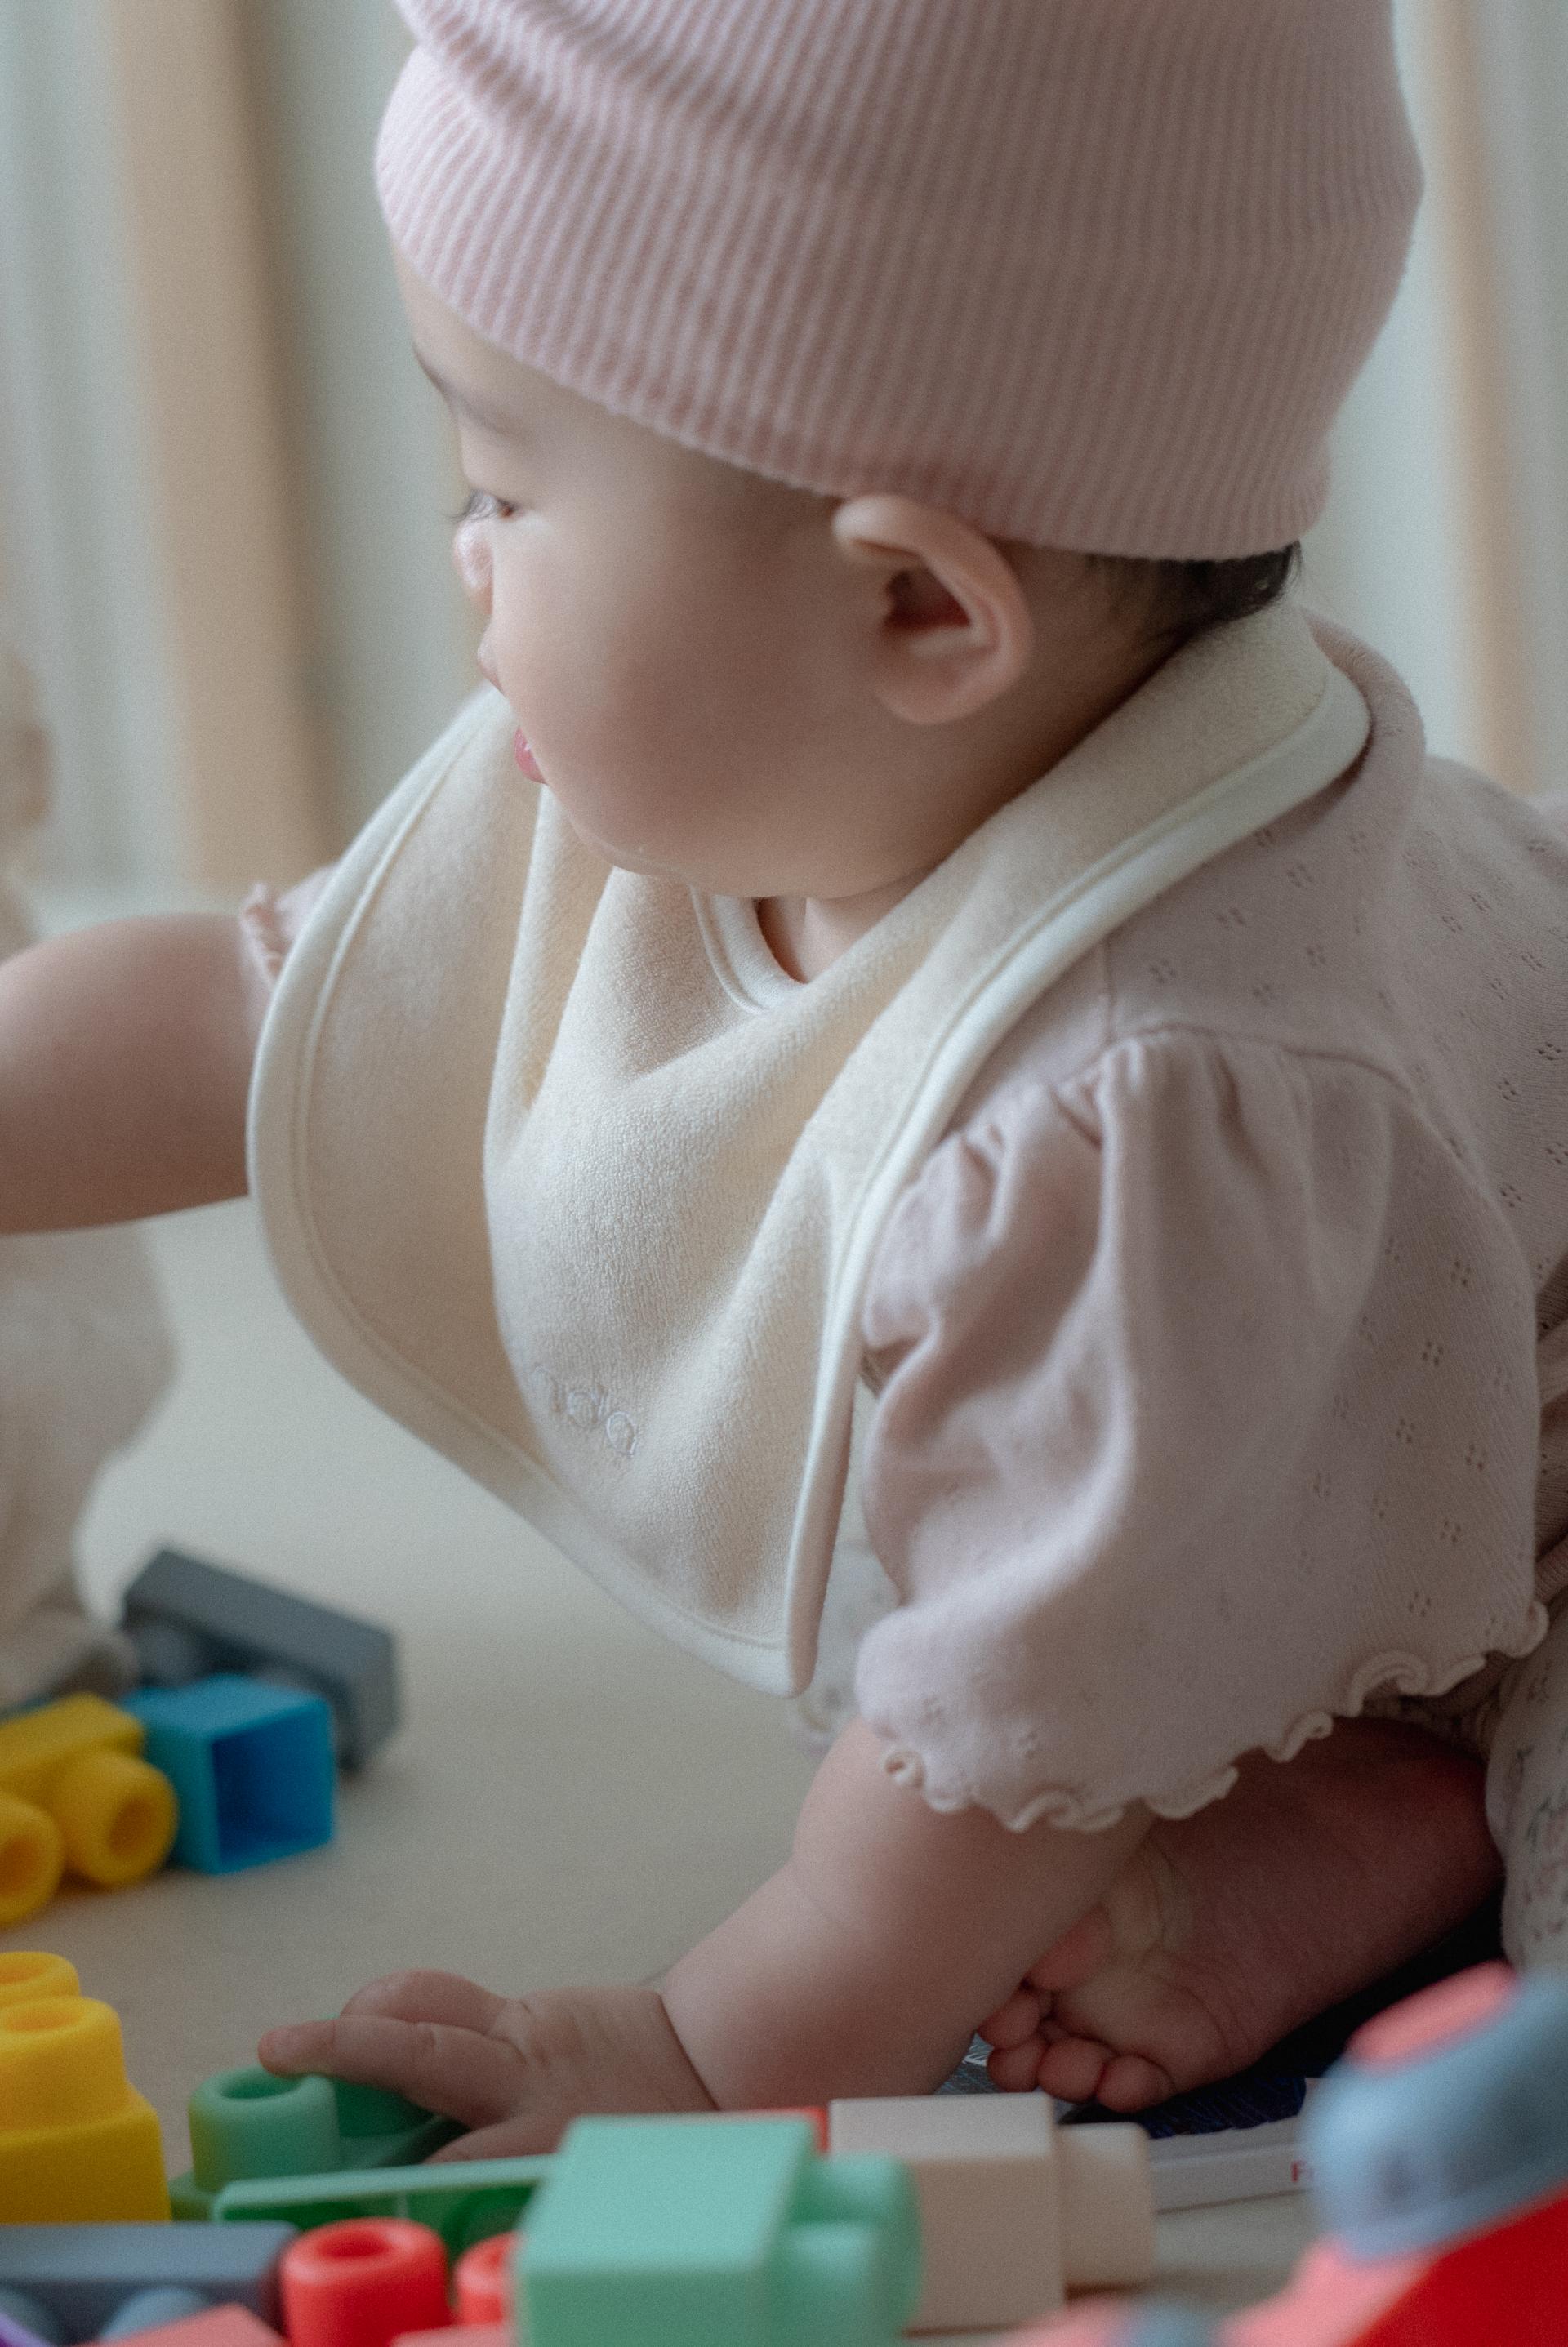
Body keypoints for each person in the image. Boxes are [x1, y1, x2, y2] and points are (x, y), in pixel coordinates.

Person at [2, 0, 1562, 2152]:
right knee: (994, 1548)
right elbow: (245, 1013)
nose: (462, 555)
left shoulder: (1133, 1095)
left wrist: (709, 2052)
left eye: (505, 488)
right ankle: (1349, 1795)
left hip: (1504, 1489)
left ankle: (1414, 1788)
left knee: (1024, 1741)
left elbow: (1007, 1708)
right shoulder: (725, 749)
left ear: (917, 606)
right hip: (1256, 1488)